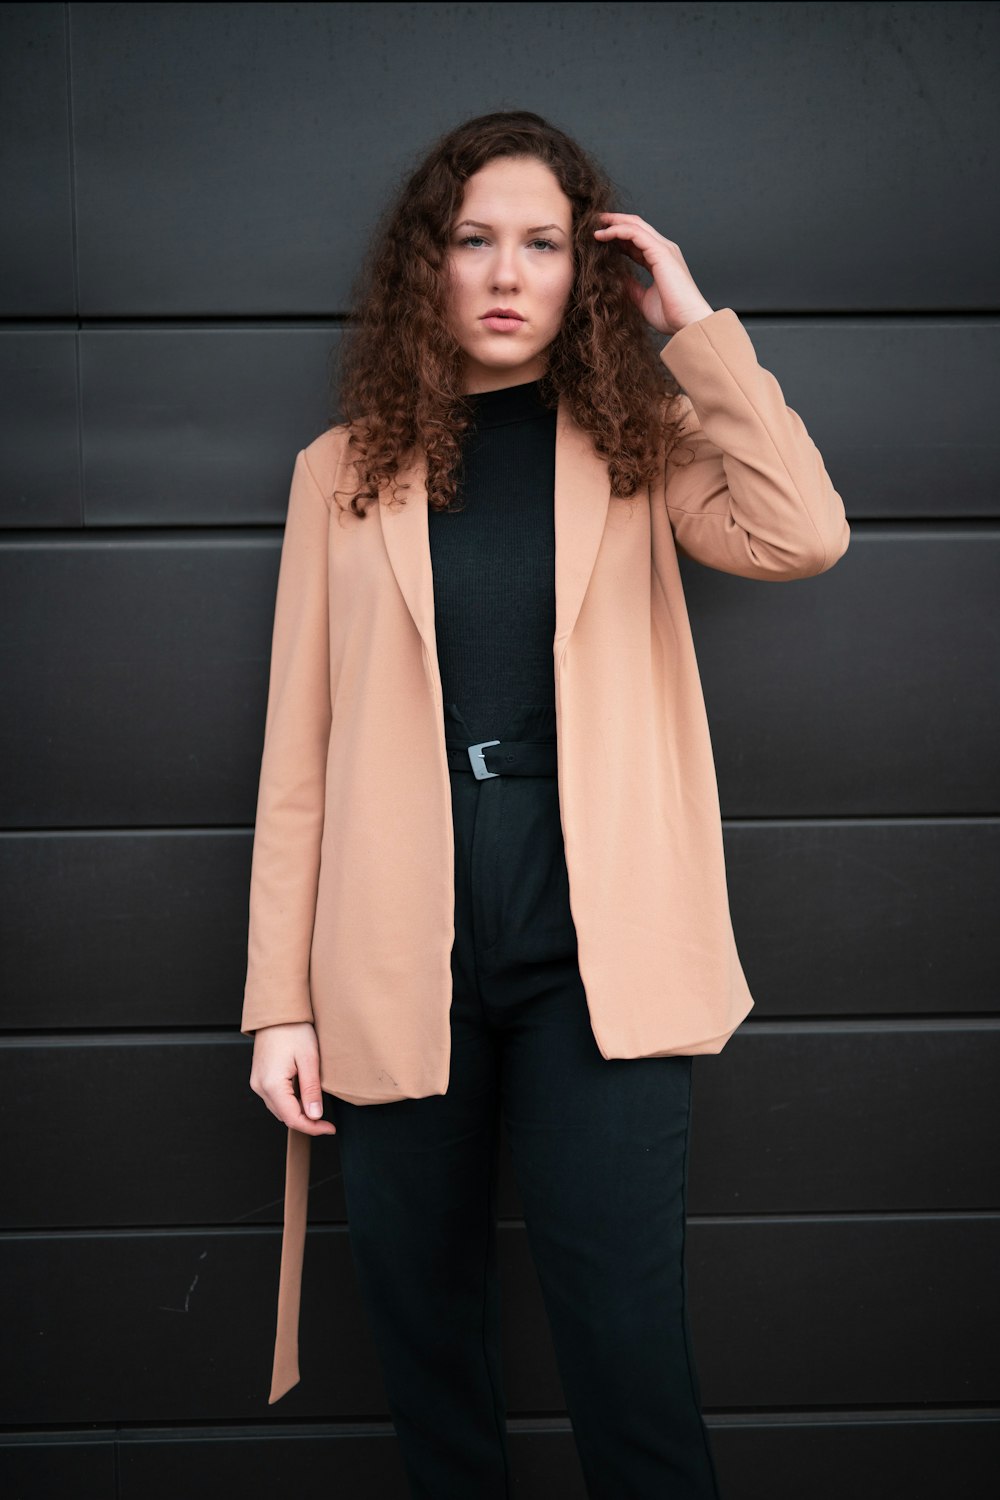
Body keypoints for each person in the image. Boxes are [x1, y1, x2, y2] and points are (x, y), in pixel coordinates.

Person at [241, 109, 850, 1499]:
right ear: (427, 266)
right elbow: (300, 754)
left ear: (587, 275)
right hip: (397, 937)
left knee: (627, 1349)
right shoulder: (336, 476)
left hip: (601, 940)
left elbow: (804, 532)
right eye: (473, 241)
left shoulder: (644, 441)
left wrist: (693, 326)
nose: (507, 274)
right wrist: (280, 996)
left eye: (543, 244)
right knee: (426, 1351)